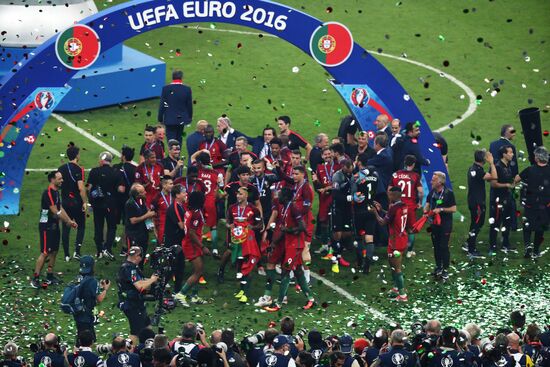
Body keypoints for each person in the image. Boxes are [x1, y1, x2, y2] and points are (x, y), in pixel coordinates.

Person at [264, 188, 315, 312]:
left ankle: (279, 303)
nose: (278, 197)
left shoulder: (293, 208)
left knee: (286, 271)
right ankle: (311, 299)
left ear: (285, 197)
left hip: (295, 246)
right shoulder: (285, 209)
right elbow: (283, 229)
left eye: (280, 195)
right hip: (290, 244)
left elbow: (302, 226)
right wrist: (274, 243)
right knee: (298, 271)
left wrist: (288, 230)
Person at [31, 171, 77, 288]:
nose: (62, 180)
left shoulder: (56, 192)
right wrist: (68, 221)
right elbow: (55, 210)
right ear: (52, 180)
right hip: (46, 226)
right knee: (45, 252)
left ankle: (49, 275)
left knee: (54, 251)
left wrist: (69, 220)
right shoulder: (48, 193)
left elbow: (60, 208)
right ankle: (35, 277)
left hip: (54, 225)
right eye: (59, 179)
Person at [226, 187, 263, 303]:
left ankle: (245, 292)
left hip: (248, 242)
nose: (238, 196)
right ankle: (241, 290)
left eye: (241, 194)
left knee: (247, 266)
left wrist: (252, 227)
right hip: (237, 241)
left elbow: (260, 224)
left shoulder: (253, 209)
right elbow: (228, 221)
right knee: (239, 265)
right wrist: (229, 226)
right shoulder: (232, 208)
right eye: (237, 194)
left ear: (246, 195)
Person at [174, 191, 210, 306]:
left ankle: (194, 296)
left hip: (191, 243)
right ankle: (181, 294)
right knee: (198, 271)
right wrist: (202, 246)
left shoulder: (190, 211)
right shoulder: (196, 214)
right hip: (192, 245)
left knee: (198, 270)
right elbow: (191, 232)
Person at [373, 187, 409, 301]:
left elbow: (382, 222)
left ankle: (402, 295)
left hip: (395, 242)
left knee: (396, 268)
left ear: (394, 195)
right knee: (393, 266)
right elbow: (391, 216)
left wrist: (374, 212)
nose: (388, 196)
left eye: (389, 194)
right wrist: (381, 209)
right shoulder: (403, 205)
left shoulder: (393, 208)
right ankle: (396, 288)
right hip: (402, 238)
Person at [117, 246, 159, 341]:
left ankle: (148, 346)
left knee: (147, 327)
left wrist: (151, 280)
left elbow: (140, 282)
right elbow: (140, 286)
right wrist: (152, 280)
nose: (141, 259)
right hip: (132, 305)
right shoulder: (129, 269)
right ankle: (126, 352)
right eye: (140, 256)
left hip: (136, 303)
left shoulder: (128, 267)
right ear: (137, 256)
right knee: (135, 333)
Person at [514, 146, 549, 259]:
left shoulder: (530, 170)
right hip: (545, 205)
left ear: (537, 158)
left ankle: (528, 246)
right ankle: (536, 250)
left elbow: (516, 179)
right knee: (540, 228)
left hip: (531, 203)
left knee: (527, 225)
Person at [87, 151, 120, 259]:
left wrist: (91, 198)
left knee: (98, 226)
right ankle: (108, 249)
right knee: (111, 227)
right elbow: (121, 189)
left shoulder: (94, 171)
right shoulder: (115, 172)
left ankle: (99, 250)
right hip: (111, 204)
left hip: (97, 204)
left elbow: (88, 188)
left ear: (101, 160)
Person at [389, 155, 423, 258]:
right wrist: (420, 202)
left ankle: (394, 249)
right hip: (410, 207)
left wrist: (391, 202)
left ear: (404, 162)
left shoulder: (395, 175)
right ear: (413, 164)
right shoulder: (415, 176)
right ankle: (409, 251)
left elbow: (389, 190)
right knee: (410, 229)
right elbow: (421, 192)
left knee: (396, 228)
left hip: (397, 206)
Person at [424, 172, 456, 281]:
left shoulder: (448, 193)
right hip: (434, 224)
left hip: (445, 224)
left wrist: (441, 209)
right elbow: (428, 203)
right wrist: (425, 210)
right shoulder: (432, 192)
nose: (431, 181)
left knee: (443, 246)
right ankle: (438, 267)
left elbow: (453, 209)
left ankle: (445, 269)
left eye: (433, 180)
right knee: (436, 246)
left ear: (440, 182)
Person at [464, 150, 497, 257]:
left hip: (473, 200)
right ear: (484, 160)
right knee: (477, 224)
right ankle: (471, 249)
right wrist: (491, 163)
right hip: (478, 203)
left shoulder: (473, 168)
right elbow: (494, 177)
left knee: (476, 223)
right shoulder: (478, 171)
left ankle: (469, 243)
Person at [58, 145, 87, 262]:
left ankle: (66, 255)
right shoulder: (79, 169)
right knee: (81, 226)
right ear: (77, 155)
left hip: (65, 201)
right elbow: (81, 188)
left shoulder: (60, 168)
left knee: (66, 227)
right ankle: (77, 252)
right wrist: (85, 202)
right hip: (76, 202)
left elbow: (58, 184)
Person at [351, 154, 378, 274]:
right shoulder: (375, 175)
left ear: (359, 162)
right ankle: (368, 263)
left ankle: (359, 261)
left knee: (358, 238)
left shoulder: (357, 177)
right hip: (371, 208)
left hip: (359, 210)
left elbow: (354, 195)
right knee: (369, 237)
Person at [71, 256, 109, 341]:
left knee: (81, 337)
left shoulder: (77, 279)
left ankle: (78, 352)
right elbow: (99, 299)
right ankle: (80, 354)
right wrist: (105, 289)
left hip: (77, 312)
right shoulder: (92, 281)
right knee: (87, 340)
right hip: (86, 315)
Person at [311, 148, 340, 254]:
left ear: (332, 154)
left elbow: (339, 183)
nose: (328, 156)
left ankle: (335, 245)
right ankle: (324, 245)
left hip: (336, 197)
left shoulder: (338, 166)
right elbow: (317, 186)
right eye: (325, 154)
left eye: (329, 153)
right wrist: (315, 181)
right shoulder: (319, 167)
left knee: (335, 221)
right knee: (324, 221)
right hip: (324, 198)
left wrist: (327, 189)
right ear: (322, 156)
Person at [489, 146, 516, 255]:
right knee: (496, 222)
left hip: (507, 198)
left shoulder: (508, 165)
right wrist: (507, 185)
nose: (512, 154)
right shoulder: (497, 167)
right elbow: (493, 184)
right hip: (498, 200)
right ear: (504, 154)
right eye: (510, 152)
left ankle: (505, 243)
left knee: (507, 221)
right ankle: (492, 245)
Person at [329, 160, 354, 273]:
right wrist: (348, 198)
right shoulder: (337, 176)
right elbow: (335, 194)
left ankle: (338, 253)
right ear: (344, 167)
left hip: (347, 208)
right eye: (349, 168)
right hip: (338, 208)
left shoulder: (352, 174)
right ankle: (335, 259)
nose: (351, 170)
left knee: (347, 233)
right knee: (337, 233)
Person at [157, 69, 193, 145]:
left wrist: (160, 118)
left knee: (171, 140)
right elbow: (189, 105)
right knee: (179, 138)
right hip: (181, 119)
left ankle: (173, 155)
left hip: (169, 119)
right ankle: (177, 155)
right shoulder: (186, 89)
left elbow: (162, 104)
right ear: (181, 77)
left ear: (172, 77)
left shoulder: (166, 89)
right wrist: (189, 117)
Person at [164, 184, 187, 291]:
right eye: (183, 192)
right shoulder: (175, 208)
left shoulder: (180, 206)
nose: (186, 194)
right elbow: (182, 225)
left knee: (179, 266)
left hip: (178, 241)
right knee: (172, 267)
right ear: (177, 195)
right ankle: (158, 287)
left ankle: (177, 290)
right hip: (173, 242)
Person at [124, 184, 155, 258]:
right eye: (143, 191)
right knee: (133, 256)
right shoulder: (130, 204)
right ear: (137, 195)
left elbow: (144, 211)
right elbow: (133, 221)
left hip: (143, 232)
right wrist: (147, 215)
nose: (145, 192)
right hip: (133, 234)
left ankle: (140, 269)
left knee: (142, 255)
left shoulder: (141, 200)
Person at [151, 176, 174, 246]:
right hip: (162, 229)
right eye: (170, 184)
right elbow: (152, 216)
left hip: (173, 226)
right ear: (164, 185)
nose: (172, 186)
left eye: (172, 184)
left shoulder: (174, 196)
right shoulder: (156, 198)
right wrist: (155, 233)